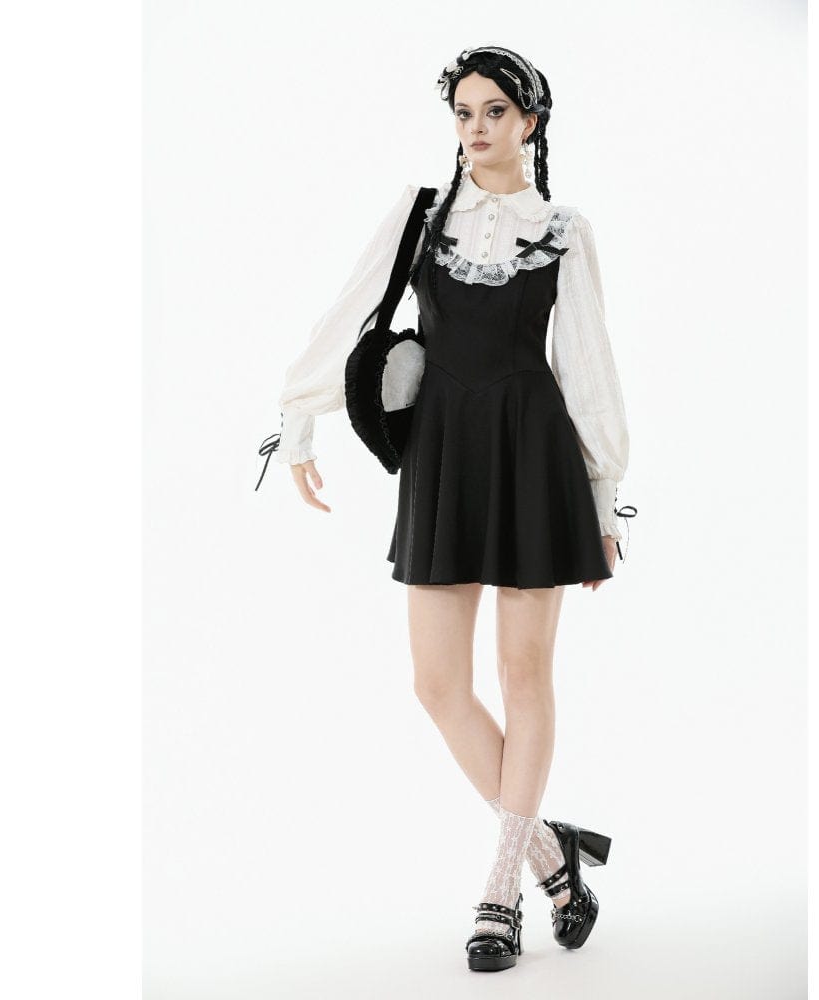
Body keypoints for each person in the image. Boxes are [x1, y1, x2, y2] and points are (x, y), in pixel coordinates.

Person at [265, 45, 631, 972]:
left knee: (523, 674)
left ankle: (502, 891)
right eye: (464, 113)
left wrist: (603, 499)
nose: (476, 129)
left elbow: (587, 365)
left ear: (530, 122)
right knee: (436, 684)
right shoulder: (422, 216)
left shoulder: (563, 231)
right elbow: (354, 310)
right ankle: (553, 856)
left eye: (494, 112)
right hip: (444, 456)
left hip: (534, 453)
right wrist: (298, 421)